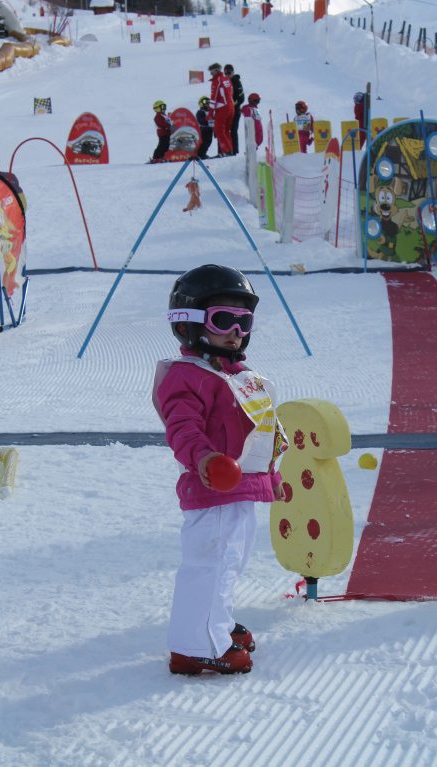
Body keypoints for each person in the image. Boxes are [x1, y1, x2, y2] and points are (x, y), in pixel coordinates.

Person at [152, 264, 287, 675]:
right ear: (189, 324)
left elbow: (263, 435)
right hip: (213, 491)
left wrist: (272, 478)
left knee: (229, 564)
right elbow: (182, 427)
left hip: (242, 491)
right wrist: (204, 458)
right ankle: (195, 646)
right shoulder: (187, 377)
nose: (237, 330)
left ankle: (217, 625)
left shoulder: (243, 378)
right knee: (208, 565)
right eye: (223, 320)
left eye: (244, 321)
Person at [207, 63, 235, 157]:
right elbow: (231, 92)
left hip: (223, 108)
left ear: (216, 71)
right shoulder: (227, 79)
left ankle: (226, 151)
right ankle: (230, 150)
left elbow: (213, 97)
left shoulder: (216, 81)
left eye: (211, 72)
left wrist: (210, 112)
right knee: (226, 130)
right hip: (231, 107)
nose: (211, 75)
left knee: (218, 130)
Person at [223, 64, 245, 155]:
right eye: (225, 73)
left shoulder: (236, 82)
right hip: (225, 111)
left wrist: (232, 104)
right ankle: (226, 150)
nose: (227, 74)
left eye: (229, 72)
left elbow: (241, 98)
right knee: (224, 130)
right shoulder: (224, 82)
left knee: (233, 130)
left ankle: (234, 151)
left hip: (235, 111)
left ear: (233, 72)